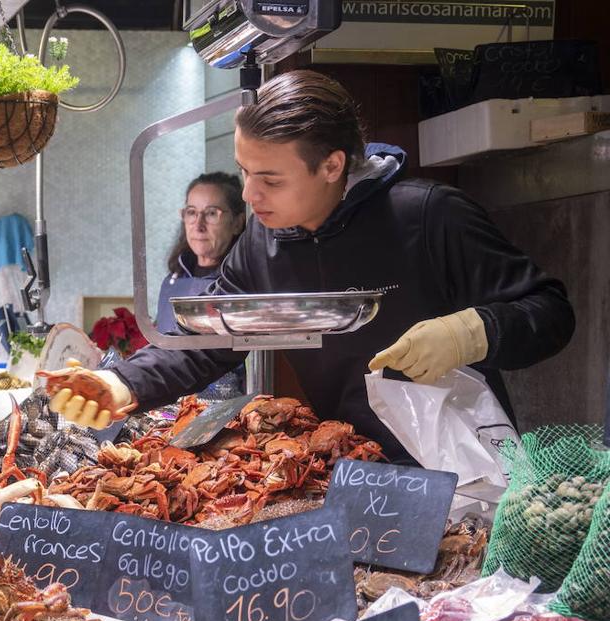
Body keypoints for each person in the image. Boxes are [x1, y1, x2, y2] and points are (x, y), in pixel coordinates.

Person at [44, 70, 574, 463]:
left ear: (332, 165)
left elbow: (551, 312)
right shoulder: (261, 241)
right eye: (245, 172)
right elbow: (212, 338)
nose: (250, 195)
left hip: (464, 467)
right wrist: (122, 385)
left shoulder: (431, 214)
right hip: (352, 467)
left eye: (271, 180)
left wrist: (473, 331)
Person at [156, 172, 246, 335]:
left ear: (237, 223)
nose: (198, 225)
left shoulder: (242, 284)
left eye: (211, 213)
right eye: (191, 212)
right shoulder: (171, 281)